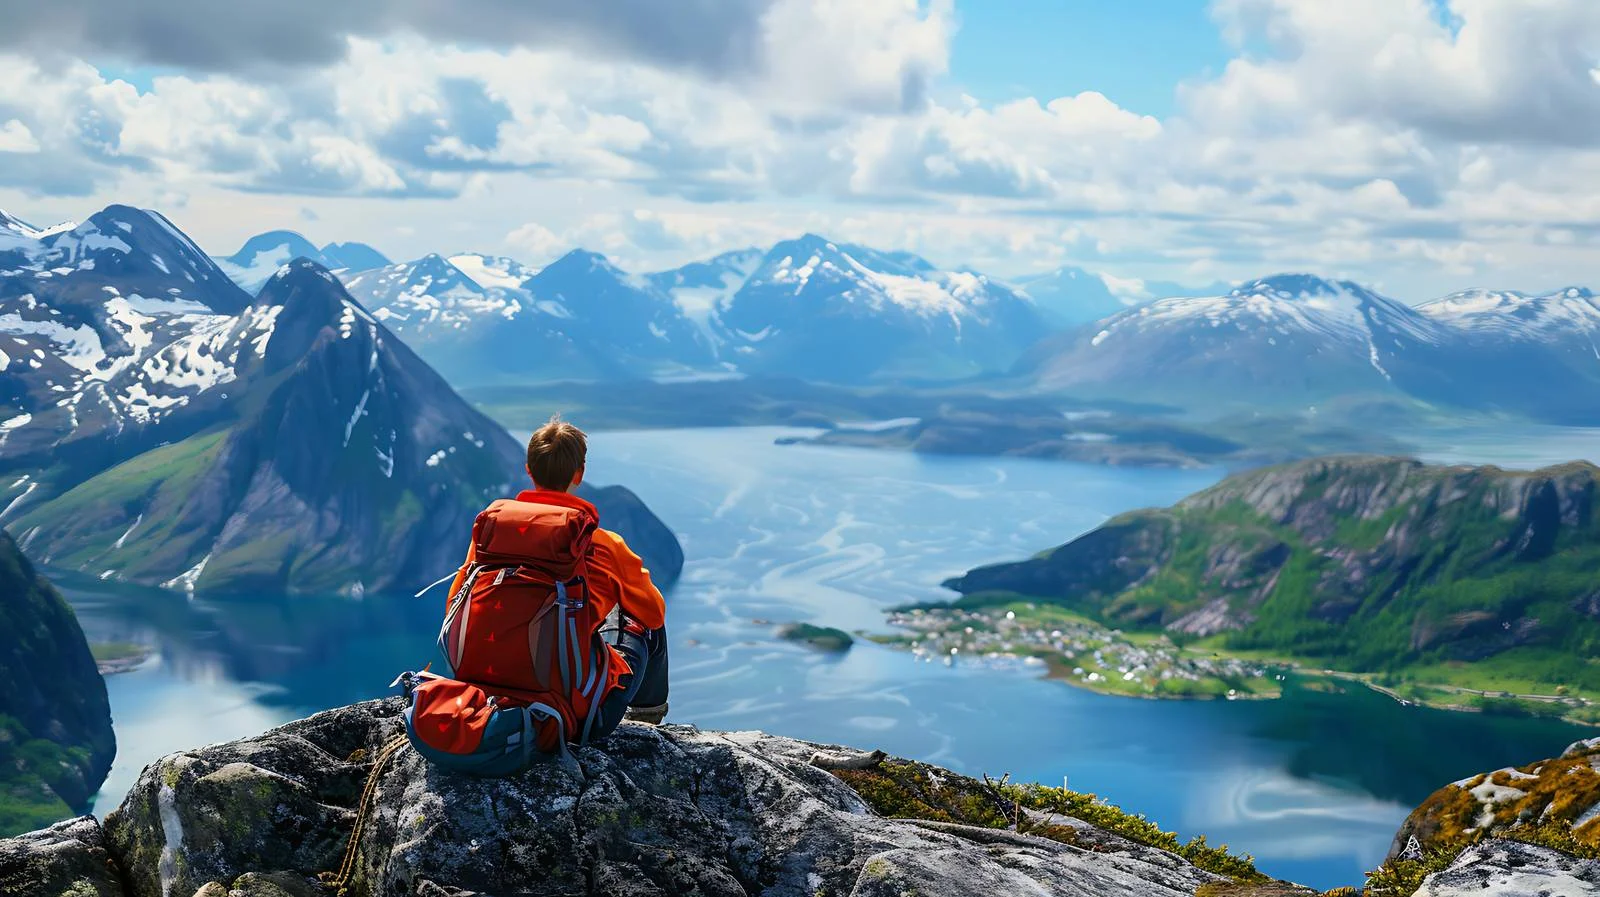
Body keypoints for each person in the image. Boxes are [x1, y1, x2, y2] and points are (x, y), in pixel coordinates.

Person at [515, 415, 670, 733]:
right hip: (579, 715)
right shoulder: (602, 543)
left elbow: (454, 606)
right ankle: (647, 721)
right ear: (579, 473)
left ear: (529, 470)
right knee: (643, 621)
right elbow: (653, 615)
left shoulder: (489, 535)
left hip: (500, 693)